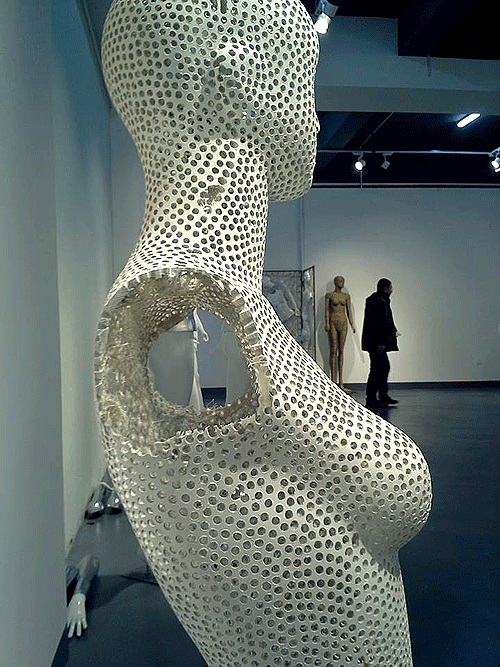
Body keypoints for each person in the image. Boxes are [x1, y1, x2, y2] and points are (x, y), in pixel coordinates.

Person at [96, 2, 431, 666]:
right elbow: (399, 488)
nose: (315, 114)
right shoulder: (191, 287)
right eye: (303, 76)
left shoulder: (194, 288)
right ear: (233, 77)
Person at [361, 278, 399, 407]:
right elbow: (379, 324)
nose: (391, 290)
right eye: (390, 288)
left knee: (381, 368)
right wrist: (381, 342)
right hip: (376, 343)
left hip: (373, 342)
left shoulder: (376, 300)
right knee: (379, 368)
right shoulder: (380, 301)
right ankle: (372, 398)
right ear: (385, 288)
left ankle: (381, 396)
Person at [324, 275, 355, 391]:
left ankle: (341, 382)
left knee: (341, 351)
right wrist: (327, 323)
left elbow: (349, 311)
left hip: (343, 323)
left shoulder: (346, 296)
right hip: (333, 322)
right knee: (333, 351)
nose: (342, 283)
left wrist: (352, 324)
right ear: (335, 282)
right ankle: (333, 381)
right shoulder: (329, 295)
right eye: (340, 281)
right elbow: (327, 310)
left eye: (343, 281)